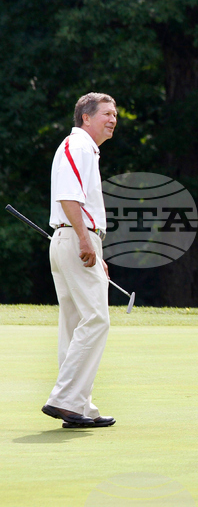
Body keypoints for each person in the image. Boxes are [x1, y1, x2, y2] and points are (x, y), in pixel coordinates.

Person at [41, 92, 119, 429]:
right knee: (97, 319)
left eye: (115, 114)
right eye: (106, 113)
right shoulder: (79, 146)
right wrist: (87, 242)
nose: (113, 119)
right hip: (75, 237)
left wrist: (93, 247)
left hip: (72, 238)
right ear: (85, 118)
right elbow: (68, 197)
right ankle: (66, 399)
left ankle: (79, 406)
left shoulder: (85, 148)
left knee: (75, 324)